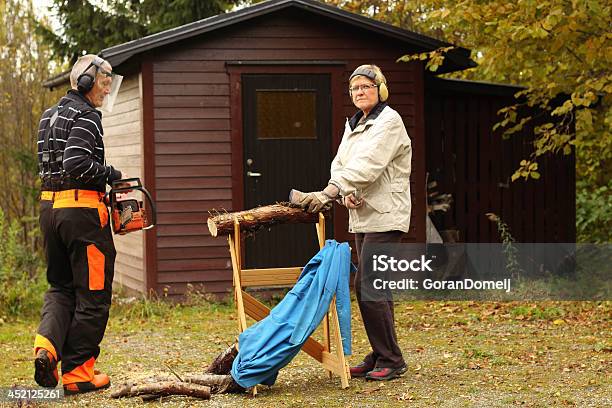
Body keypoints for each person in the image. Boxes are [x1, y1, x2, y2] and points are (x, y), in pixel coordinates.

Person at [295, 64, 412, 381]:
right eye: (355, 89)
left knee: (368, 285)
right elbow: (343, 164)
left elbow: (370, 165)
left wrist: (330, 192)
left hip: (387, 214)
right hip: (364, 214)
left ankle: (392, 359)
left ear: (380, 89)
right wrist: (344, 194)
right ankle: (380, 355)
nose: (360, 93)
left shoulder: (389, 121)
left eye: (366, 87)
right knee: (378, 288)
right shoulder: (356, 123)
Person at [34, 54, 124, 395]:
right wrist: (111, 175)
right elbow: (76, 163)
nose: (106, 89)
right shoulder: (87, 116)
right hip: (82, 214)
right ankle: (77, 373)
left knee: (61, 288)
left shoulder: (48, 116)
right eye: (104, 82)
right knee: (94, 294)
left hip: (50, 210)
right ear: (85, 81)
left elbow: (52, 165)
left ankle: (48, 349)